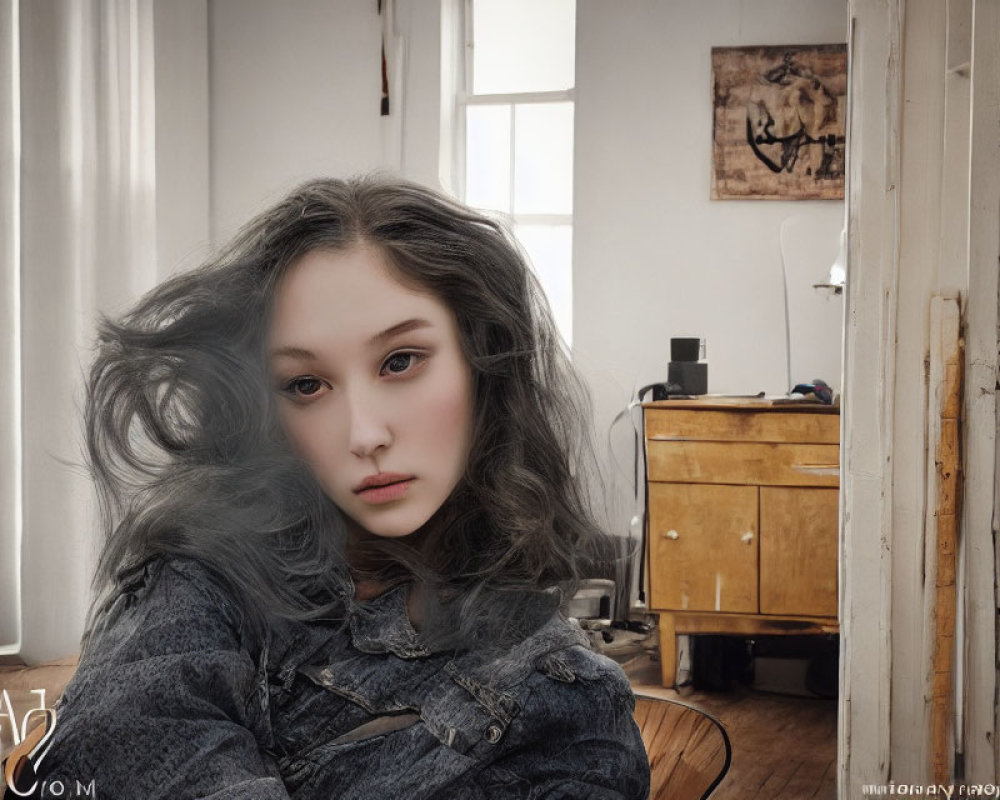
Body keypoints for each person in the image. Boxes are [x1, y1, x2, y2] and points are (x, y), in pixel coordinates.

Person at [16, 177, 650, 799]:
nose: (364, 435)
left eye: (400, 361)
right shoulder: (205, 581)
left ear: (482, 362)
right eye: (307, 385)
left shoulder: (569, 704)